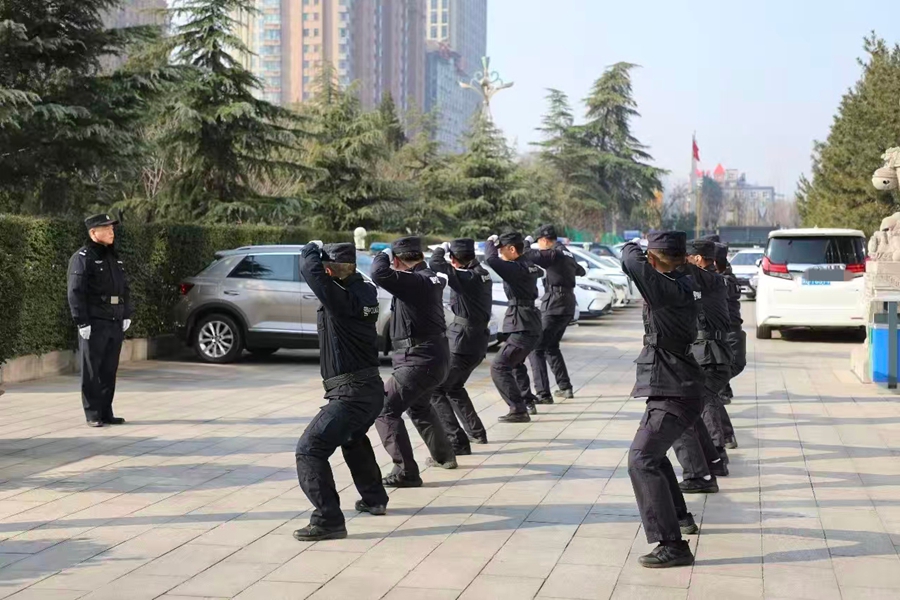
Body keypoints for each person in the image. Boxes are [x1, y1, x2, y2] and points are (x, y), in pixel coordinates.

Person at [293, 242, 389, 542]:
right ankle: (374, 498)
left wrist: (311, 249)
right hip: (370, 389)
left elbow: (309, 269)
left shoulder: (340, 296)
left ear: (330, 270)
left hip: (352, 393)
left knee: (310, 449)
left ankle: (329, 520)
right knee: (352, 438)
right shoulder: (363, 291)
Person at [621, 231, 703, 568]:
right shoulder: (681, 281)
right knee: (653, 456)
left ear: (654, 259)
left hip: (675, 389)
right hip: (674, 385)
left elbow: (630, 259)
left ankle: (672, 545)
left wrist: (634, 243)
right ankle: (680, 518)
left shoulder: (665, 287)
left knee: (641, 459)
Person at [371, 237, 457, 488]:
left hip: (418, 360)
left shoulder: (416, 281)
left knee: (385, 408)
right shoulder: (429, 277)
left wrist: (383, 254)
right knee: (419, 407)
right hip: (433, 357)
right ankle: (444, 456)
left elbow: (378, 273)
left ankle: (406, 472)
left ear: (398, 261)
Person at [671, 239, 732, 493]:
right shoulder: (706, 281)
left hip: (712, 356)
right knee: (698, 404)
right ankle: (715, 459)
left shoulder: (711, 279)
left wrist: (665, 253)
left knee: (700, 403)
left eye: (688, 256)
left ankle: (715, 457)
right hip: (707, 355)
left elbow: (684, 269)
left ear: (697, 259)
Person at [67, 214, 132, 427]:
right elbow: (75, 291)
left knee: (109, 369)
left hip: (114, 319)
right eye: (106, 228)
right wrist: (82, 321)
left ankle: (106, 411)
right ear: (93, 232)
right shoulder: (83, 257)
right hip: (95, 321)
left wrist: (126, 313)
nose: (112, 232)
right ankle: (93, 413)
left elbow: (124, 288)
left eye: (112, 228)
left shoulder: (113, 257)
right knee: (92, 370)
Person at [428, 239, 492, 454]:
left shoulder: (468, 277)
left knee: (436, 390)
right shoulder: (482, 273)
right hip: (476, 340)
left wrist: (441, 249)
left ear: (455, 259)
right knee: (454, 387)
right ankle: (476, 432)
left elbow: (435, 264)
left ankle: (456, 441)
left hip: (464, 342)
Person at [523, 225, 586, 404]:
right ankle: (565, 387)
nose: (539, 246)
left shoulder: (554, 253)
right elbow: (581, 271)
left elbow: (528, 254)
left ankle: (543, 394)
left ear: (544, 240)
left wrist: (527, 242)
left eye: (539, 243)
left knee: (536, 348)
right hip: (568, 304)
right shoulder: (567, 253)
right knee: (551, 346)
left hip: (555, 304)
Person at [484, 232, 543, 422]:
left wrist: (489, 243)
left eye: (502, 250)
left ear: (511, 249)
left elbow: (490, 260)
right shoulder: (527, 264)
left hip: (523, 324)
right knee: (515, 363)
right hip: (527, 321)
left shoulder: (516, 268)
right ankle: (526, 400)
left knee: (499, 367)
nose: (500, 254)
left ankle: (518, 409)